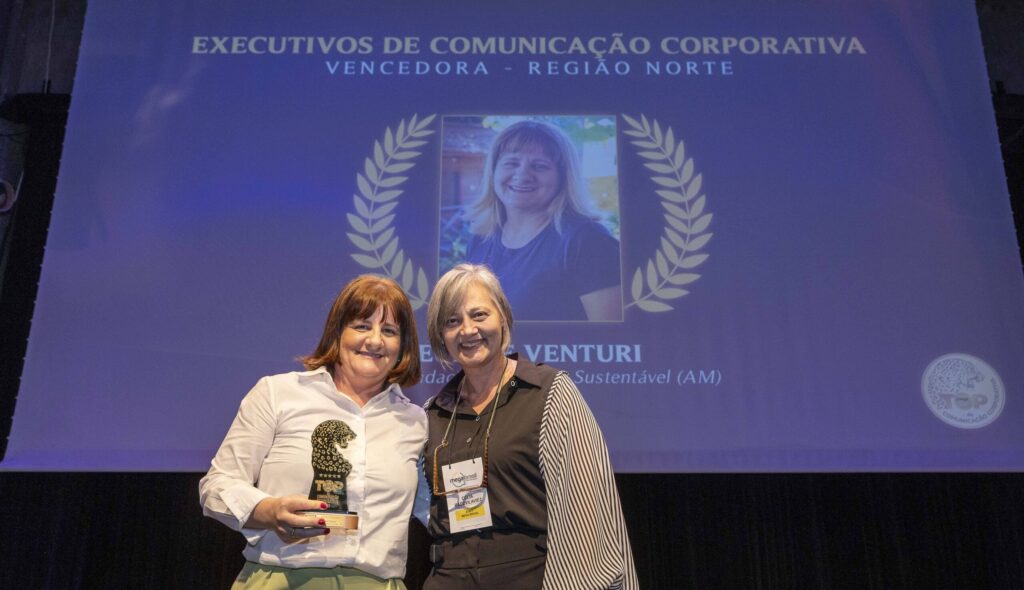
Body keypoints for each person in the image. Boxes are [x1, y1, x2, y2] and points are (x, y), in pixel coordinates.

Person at [200, 275, 427, 589]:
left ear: (403, 347)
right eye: (362, 326)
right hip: (281, 578)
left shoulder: (416, 422)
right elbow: (216, 486)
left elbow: (432, 510)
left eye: (389, 331)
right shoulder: (277, 394)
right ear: (337, 332)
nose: (375, 340)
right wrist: (269, 511)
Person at [421, 263, 637, 589]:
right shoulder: (433, 413)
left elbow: (587, 506)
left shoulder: (550, 393)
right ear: (441, 335)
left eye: (479, 315)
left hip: (530, 577)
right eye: (452, 321)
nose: (467, 330)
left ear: (503, 317)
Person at [461, 120, 622, 321]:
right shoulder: (480, 240)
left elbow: (610, 337)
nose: (522, 175)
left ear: (563, 178)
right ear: (493, 172)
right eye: (512, 163)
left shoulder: (589, 241)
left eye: (540, 166)